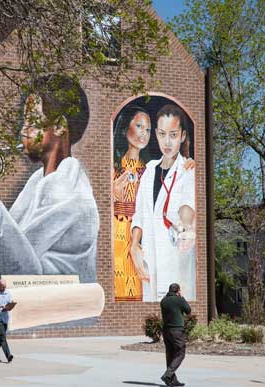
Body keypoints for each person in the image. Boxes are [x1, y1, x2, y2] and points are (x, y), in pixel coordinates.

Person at [0, 75, 99, 283]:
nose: (22, 131)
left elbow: (19, 263)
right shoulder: (38, 182)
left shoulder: (71, 193)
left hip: (54, 298)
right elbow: (6, 242)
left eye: (32, 122)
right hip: (34, 292)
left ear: (60, 126)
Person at [130, 104, 196, 301]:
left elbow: (187, 205)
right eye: (161, 134)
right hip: (150, 259)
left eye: (173, 135)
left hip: (175, 256)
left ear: (183, 135)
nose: (167, 142)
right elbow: (139, 213)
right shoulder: (149, 170)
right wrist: (134, 245)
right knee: (151, 306)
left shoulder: (188, 169)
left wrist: (186, 228)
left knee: (174, 306)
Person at [112, 106, 152, 301]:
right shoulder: (113, 165)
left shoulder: (148, 169)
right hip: (117, 231)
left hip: (139, 231)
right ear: (125, 127)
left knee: (139, 281)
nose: (143, 134)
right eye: (139, 126)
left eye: (148, 129)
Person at [160, 283, 191, 387]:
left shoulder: (163, 301)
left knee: (170, 355)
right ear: (178, 291)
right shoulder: (179, 299)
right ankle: (168, 375)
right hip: (177, 330)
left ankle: (173, 381)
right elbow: (188, 310)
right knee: (180, 352)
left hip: (166, 330)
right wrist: (182, 297)